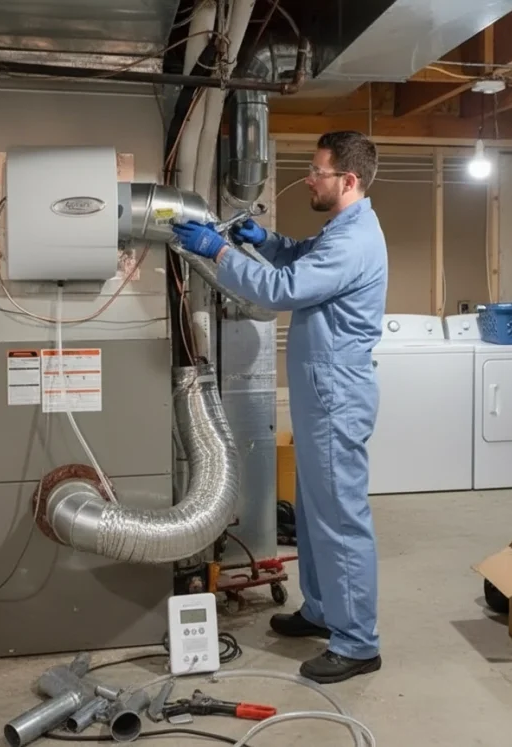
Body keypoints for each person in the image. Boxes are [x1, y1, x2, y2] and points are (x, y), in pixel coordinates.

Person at [171, 130, 387, 684]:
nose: (308, 180)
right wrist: (262, 239)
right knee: (316, 513)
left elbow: (284, 289)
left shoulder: (354, 240)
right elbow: (298, 258)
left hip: (336, 394)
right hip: (325, 391)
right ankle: (321, 610)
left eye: (317, 172)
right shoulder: (341, 230)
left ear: (349, 180)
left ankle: (358, 642)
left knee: (339, 517)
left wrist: (219, 251)